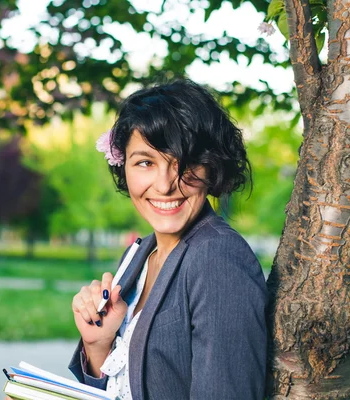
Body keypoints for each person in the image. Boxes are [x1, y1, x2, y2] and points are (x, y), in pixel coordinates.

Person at [69, 79, 267, 400]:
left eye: (184, 163)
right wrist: (98, 345)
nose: (164, 185)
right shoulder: (138, 254)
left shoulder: (217, 258)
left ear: (211, 166)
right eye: (146, 162)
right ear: (125, 167)